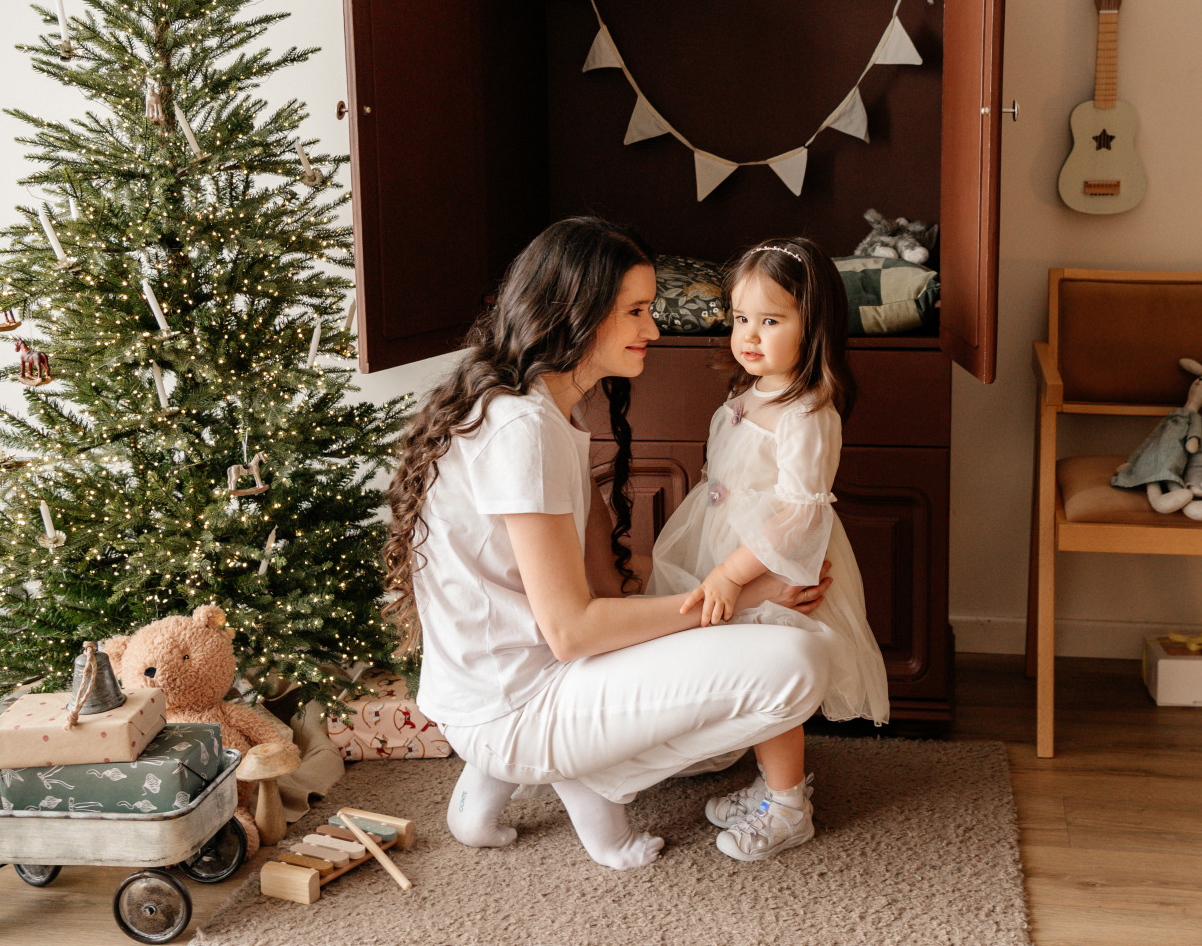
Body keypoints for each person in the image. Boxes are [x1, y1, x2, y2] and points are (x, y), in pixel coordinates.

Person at [381, 217, 832, 871]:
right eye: (636, 311)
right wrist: (734, 600)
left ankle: (494, 780)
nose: (653, 329)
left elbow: (609, 588)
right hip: (517, 700)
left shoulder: (549, 409)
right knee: (800, 661)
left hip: (493, 689)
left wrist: (757, 586)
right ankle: (569, 770)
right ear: (578, 314)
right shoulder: (522, 430)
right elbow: (572, 630)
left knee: (747, 674)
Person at [646, 237, 890, 862]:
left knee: (766, 673)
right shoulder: (751, 391)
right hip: (724, 544)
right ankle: (768, 782)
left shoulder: (807, 410)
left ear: (815, 329)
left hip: (770, 560)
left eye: (772, 320)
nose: (749, 336)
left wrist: (732, 573)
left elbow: (799, 512)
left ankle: (788, 807)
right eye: (742, 318)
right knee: (738, 668)